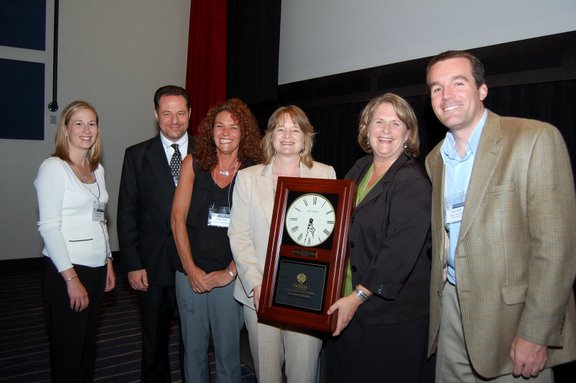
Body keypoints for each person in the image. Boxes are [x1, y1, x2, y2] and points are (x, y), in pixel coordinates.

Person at [425, 50, 576, 382]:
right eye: (436, 88)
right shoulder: (435, 159)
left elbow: (555, 249)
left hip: (511, 321)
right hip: (451, 312)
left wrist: (537, 333)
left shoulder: (534, 139)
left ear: (482, 90)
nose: (445, 96)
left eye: (457, 83)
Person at [325, 93, 434, 382]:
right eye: (379, 122)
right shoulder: (360, 169)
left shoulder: (412, 182)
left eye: (396, 124)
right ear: (366, 128)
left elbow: (397, 255)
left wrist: (357, 297)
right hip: (349, 306)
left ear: (408, 134)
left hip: (390, 319)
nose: (386, 130)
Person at [228, 105, 336, 383]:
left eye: (295, 129)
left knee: (303, 374)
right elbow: (238, 235)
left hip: (307, 297)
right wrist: (255, 283)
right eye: (280, 129)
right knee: (267, 375)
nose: (287, 135)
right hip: (259, 295)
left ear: (305, 138)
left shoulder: (325, 174)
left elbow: (330, 239)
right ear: (270, 137)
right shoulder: (248, 178)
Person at [171, 98, 263, 382]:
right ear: (210, 130)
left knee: (227, 353)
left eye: (233, 127)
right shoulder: (193, 163)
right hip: (190, 274)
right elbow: (177, 218)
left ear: (243, 132)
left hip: (231, 277)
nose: (225, 132)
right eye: (220, 126)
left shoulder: (254, 171)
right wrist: (190, 269)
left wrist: (230, 272)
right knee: (193, 351)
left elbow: (258, 231)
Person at [35, 100, 116, 382]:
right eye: (78, 123)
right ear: (66, 129)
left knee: (86, 349)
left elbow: (100, 219)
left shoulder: (97, 170)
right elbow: (49, 228)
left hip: (95, 268)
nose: (86, 129)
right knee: (68, 352)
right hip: (67, 270)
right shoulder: (54, 168)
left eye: (91, 123)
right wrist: (71, 279)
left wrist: (108, 262)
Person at [117, 85, 192, 382]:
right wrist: (132, 263)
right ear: (155, 115)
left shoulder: (207, 153)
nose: (174, 120)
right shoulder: (136, 156)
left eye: (180, 113)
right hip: (152, 265)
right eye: (167, 113)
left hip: (193, 265)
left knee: (193, 342)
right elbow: (126, 213)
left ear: (189, 114)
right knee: (154, 342)